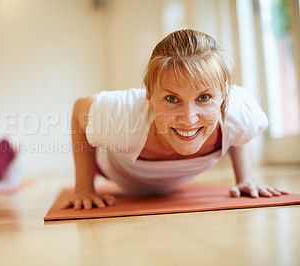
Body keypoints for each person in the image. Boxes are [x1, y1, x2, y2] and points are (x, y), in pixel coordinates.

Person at [62, 29, 288, 210]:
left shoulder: (242, 112)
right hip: (111, 170)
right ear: (149, 97)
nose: (188, 119)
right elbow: (78, 109)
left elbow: (238, 130)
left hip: (171, 183)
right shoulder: (123, 117)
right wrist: (83, 187)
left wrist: (245, 178)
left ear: (223, 97)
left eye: (204, 97)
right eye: (172, 98)